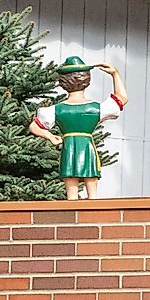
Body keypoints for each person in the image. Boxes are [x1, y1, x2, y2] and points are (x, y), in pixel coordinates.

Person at [30, 57, 127, 200]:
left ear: (63, 82)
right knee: (91, 181)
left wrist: (51, 137)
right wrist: (115, 74)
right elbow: (122, 98)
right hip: (87, 147)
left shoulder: (56, 110)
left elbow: (33, 126)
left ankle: (73, 207)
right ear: (87, 81)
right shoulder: (96, 108)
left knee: (71, 185)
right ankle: (93, 206)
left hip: (69, 147)